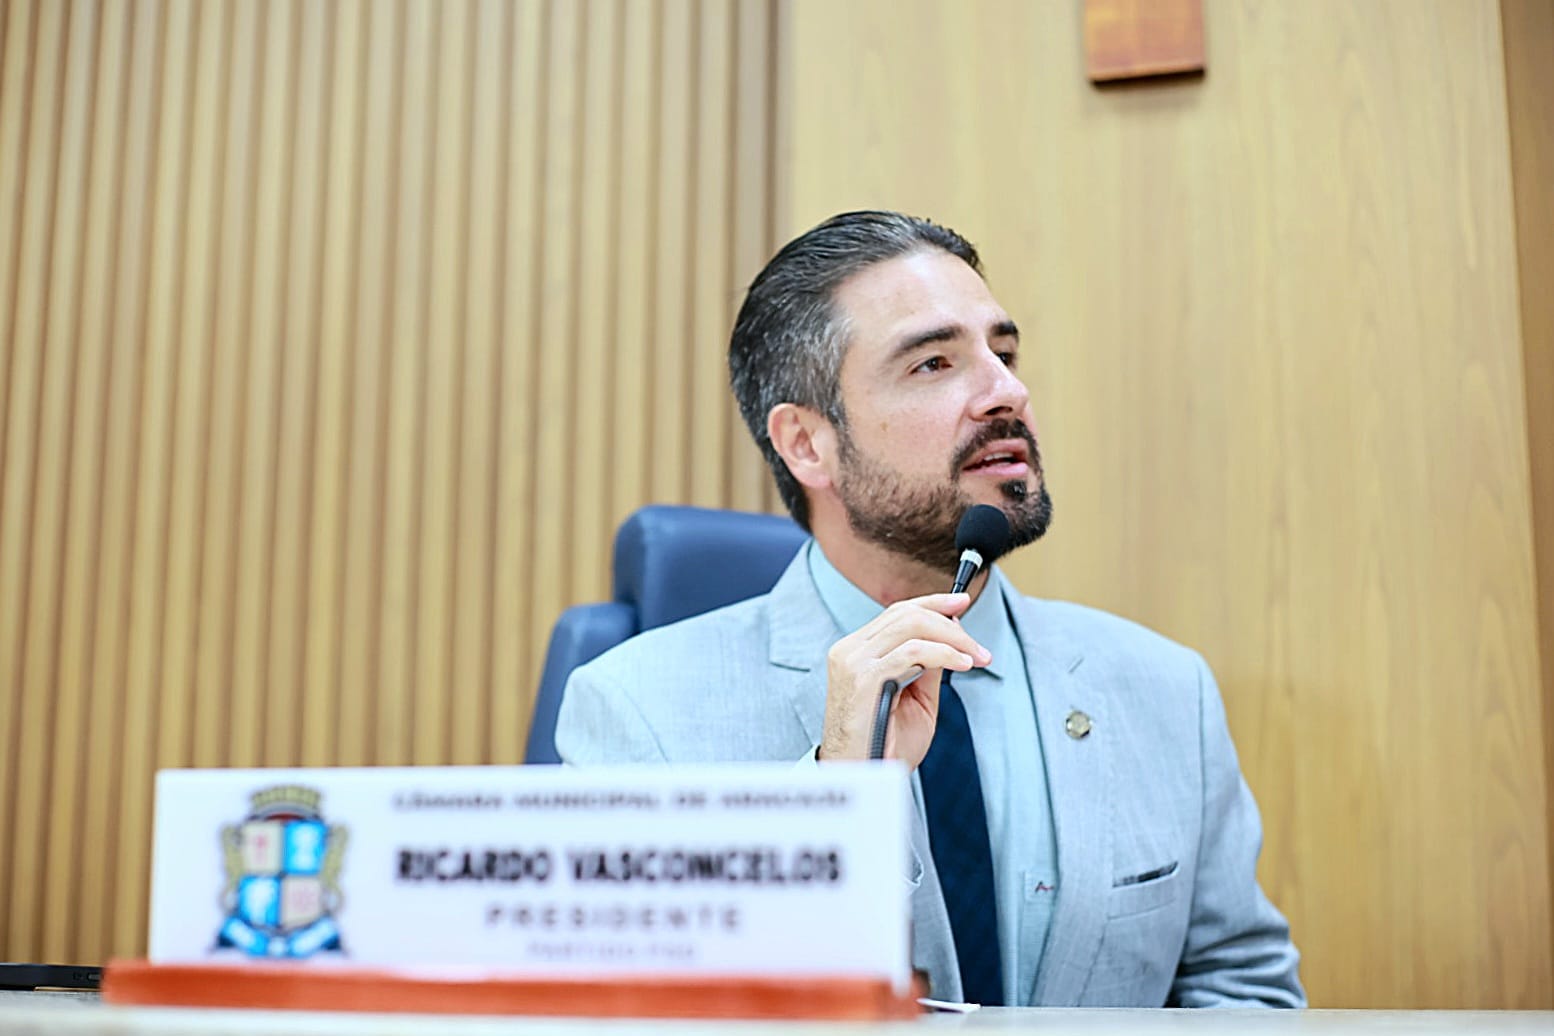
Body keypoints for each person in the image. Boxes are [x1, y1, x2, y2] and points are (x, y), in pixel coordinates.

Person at [555, 211, 1304, 1008]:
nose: (1007, 391)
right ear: (807, 443)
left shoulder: (1165, 691)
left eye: (1003, 353)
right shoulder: (640, 713)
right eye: (935, 363)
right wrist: (835, 801)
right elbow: (639, 1018)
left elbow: (1240, 987)